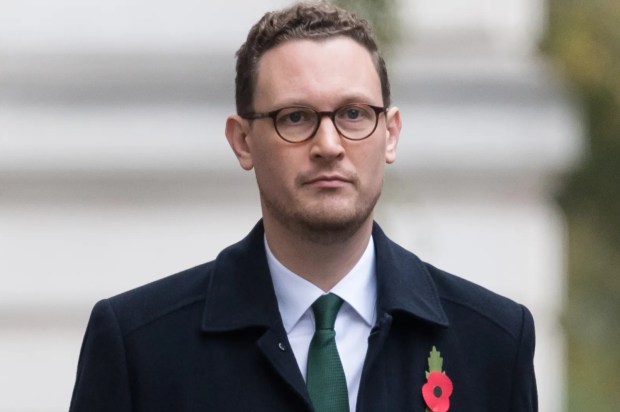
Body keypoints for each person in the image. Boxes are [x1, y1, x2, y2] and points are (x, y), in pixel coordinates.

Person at [69, 2, 537, 411]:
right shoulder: (141, 347)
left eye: (354, 114)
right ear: (243, 141)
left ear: (390, 133)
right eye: (296, 117)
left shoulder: (492, 341)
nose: (328, 144)